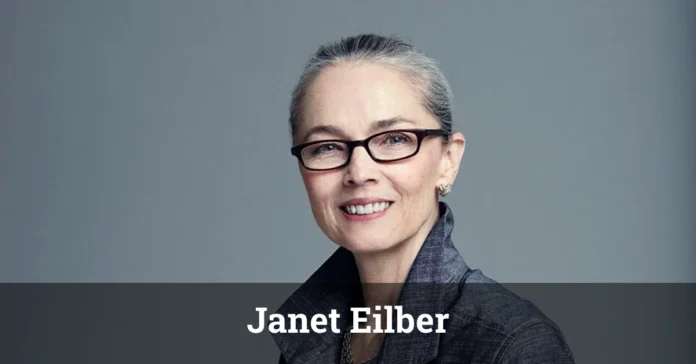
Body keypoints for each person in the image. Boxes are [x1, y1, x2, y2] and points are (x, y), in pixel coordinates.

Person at [271, 33, 575, 364]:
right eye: (327, 146)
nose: (359, 172)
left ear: (448, 161)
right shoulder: (312, 337)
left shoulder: (511, 344)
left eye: (394, 139)